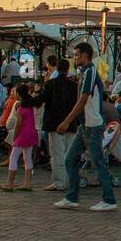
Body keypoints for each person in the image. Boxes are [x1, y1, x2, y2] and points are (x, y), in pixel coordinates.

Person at [53, 43, 117, 211]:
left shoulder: (90, 72)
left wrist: (67, 121)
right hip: (85, 125)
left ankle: (109, 200)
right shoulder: (84, 73)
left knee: (98, 162)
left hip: (92, 125)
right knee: (70, 159)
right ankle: (72, 197)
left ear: (85, 56)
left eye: (76, 55)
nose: (74, 58)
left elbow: (82, 100)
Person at [35, 58, 76, 192]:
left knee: (57, 154)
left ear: (57, 69)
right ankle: (70, 180)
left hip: (54, 124)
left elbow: (42, 99)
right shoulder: (73, 85)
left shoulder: (51, 84)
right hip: (70, 123)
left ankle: (59, 182)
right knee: (69, 154)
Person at [0, 83, 39, 192]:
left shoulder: (21, 107)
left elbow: (19, 124)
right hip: (32, 133)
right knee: (27, 157)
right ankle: (27, 182)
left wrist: (15, 135)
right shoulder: (30, 104)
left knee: (13, 156)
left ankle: (10, 183)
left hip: (23, 134)